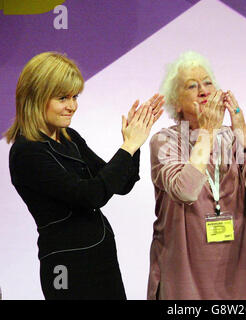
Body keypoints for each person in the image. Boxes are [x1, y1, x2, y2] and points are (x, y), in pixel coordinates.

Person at [5, 52, 164, 300]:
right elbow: (91, 195)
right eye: (62, 98)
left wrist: (133, 144)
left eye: (74, 97)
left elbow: (121, 185)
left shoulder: (69, 137)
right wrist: (128, 147)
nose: (72, 106)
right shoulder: (27, 151)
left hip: (100, 256)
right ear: (35, 97)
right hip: (68, 267)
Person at [147, 51, 246, 300]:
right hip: (183, 277)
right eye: (192, 86)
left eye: (208, 82)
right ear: (176, 102)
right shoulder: (165, 141)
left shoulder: (232, 139)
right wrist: (208, 131)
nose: (203, 90)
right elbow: (185, 190)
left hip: (233, 274)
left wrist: (242, 131)